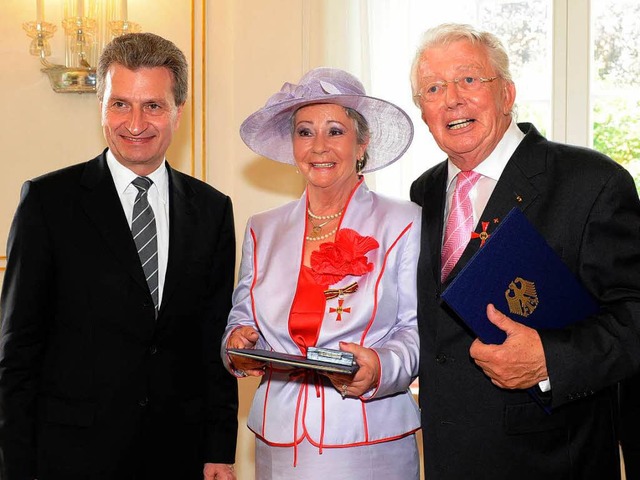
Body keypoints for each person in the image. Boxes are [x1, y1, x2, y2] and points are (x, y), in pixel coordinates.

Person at [0, 33, 238, 480]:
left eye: (153, 105)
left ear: (178, 112)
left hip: (178, 456)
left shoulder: (212, 210)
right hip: (71, 458)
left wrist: (220, 450)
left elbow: (213, 343)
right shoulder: (48, 203)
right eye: (120, 104)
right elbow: (17, 352)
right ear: (101, 108)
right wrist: (14, 467)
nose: (136, 123)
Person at [409, 23, 640, 480]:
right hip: (444, 457)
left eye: (469, 79)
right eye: (433, 88)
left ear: (508, 93)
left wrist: (550, 360)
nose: (452, 97)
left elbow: (633, 314)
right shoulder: (424, 193)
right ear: (424, 112)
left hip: (551, 458)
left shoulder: (591, 182)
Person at [222, 67, 421, 479]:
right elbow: (241, 317)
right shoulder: (262, 228)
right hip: (276, 438)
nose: (318, 147)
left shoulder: (404, 221)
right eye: (305, 132)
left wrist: (381, 366)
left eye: (335, 131)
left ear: (362, 142)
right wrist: (236, 342)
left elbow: (416, 330)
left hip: (368, 437)